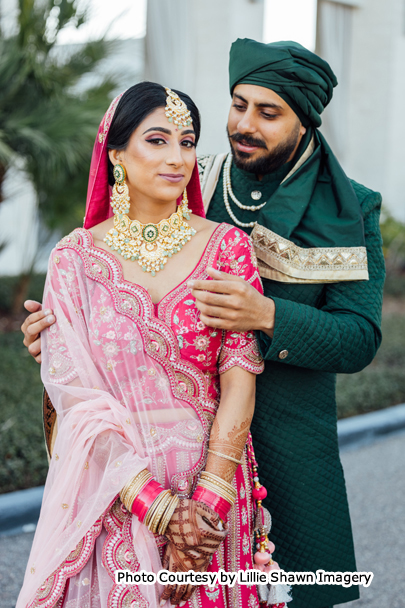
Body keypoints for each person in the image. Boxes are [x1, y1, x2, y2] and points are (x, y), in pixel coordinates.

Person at [22, 40, 386, 608]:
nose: (242, 125)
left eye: (268, 114)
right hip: (142, 465)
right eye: (238, 105)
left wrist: (266, 314)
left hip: (278, 451)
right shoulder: (199, 178)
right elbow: (117, 294)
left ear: (305, 121)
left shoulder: (350, 209)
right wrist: (63, 335)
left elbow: (361, 338)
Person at [17, 82, 283, 608]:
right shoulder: (75, 262)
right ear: (116, 153)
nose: (177, 157)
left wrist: (203, 510)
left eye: (187, 142)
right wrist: (159, 509)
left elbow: (238, 382)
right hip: (116, 490)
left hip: (214, 487)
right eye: (157, 140)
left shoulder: (226, 246)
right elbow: (77, 402)